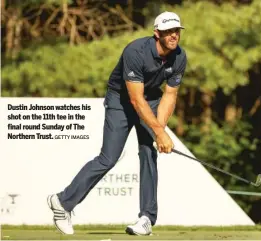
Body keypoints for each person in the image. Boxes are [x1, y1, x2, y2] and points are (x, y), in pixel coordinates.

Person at [47, 11, 187, 236]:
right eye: (168, 31)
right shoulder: (135, 51)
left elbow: (170, 95)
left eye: (176, 31)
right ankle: (62, 203)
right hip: (121, 100)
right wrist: (160, 133)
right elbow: (134, 99)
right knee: (109, 158)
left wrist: (158, 131)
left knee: (148, 152)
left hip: (150, 98)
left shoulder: (179, 56)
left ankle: (146, 218)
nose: (173, 36)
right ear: (156, 33)